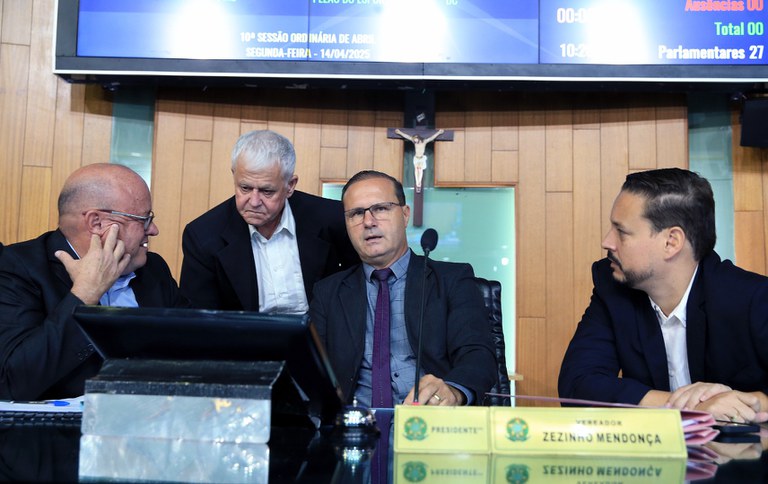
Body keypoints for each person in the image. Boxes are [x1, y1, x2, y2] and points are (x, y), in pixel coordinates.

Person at [559, 168, 768, 423]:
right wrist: (689, 407)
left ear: (671, 242)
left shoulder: (754, 298)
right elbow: (577, 385)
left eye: (621, 232)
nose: (607, 242)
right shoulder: (613, 288)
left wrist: (752, 402)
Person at [309, 170, 496, 408]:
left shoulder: (452, 280)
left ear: (405, 215)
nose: (368, 222)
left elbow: (478, 355)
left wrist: (453, 390)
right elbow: (313, 372)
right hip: (355, 423)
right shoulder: (328, 292)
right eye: (356, 213)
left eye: (381, 209)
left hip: (430, 420)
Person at [0, 163, 187, 400]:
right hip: (68, 423)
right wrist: (85, 295)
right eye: (144, 219)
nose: (153, 230)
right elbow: (12, 383)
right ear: (97, 223)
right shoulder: (18, 267)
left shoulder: (153, 269)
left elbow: (191, 351)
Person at [180, 130, 358, 313]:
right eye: (245, 188)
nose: (254, 202)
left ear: (290, 186)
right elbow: (200, 319)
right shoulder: (203, 236)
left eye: (267, 191)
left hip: (320, 329)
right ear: (234, 175)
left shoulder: (334, 219)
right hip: (243, 331)